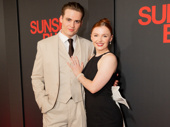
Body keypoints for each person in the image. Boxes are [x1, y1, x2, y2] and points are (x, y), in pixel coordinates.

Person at [31, 2, 93, 127]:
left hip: (80, 109)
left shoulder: (89, 46)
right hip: (53, 109)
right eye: (68, 19)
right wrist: (44, 103)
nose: (72, 25)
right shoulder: (44, 45)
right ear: (60, 19)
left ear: (81, 23)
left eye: (76, 21)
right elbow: (37, 77)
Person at [68, 18, 123, 127]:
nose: (100, 40)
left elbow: (93, 88)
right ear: (91, 37)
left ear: (110, 38)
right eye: (96, 35)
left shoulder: (109, 58)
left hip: (107, 117)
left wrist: (78, 74)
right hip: (93, 116)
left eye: (105, 36)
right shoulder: (92, 58)